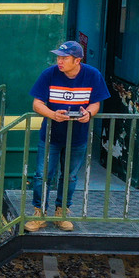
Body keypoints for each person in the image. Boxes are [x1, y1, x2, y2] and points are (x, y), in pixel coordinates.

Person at [27, 40, 110, 231]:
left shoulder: (93, 75)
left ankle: (61, 213)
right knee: (42, 175)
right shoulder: (49, 74)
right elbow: (37, 104)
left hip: (78, 137)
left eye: (64, 58)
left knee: (70, 177)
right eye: (58, 57)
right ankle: (38, 213)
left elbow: (96, 103)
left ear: (77, 60)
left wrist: (88, 113)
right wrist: (53, 115)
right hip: (50, 135)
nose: (59, 61)